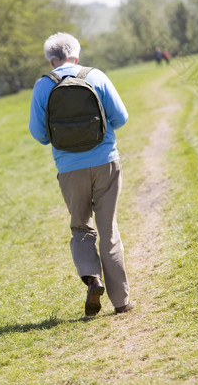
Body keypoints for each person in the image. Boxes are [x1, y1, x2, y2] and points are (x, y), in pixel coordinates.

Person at [29, 32, 133, 316]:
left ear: (51, 60)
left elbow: (39, 134)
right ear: (76, 54)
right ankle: (121, 302)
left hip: (69, 169)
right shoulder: (95, 75)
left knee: (81, 228)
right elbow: (121, 118)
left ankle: (93, 278)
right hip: (105, 163)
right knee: (109, 231)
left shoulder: (42, 86)